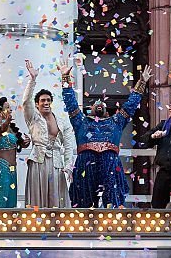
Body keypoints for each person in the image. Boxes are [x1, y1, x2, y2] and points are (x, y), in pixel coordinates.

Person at [60, 55, 152, 208]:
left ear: (107, 111)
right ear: (90, 110)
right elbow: (70, 103)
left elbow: (130, 105)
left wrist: (142, 82)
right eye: (96, 103)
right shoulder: (81, 121)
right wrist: (65, 78)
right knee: (84, 201)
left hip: (110, 163)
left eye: (102, 103)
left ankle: (113, 227)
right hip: (85, 164)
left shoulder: (116, 121)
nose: (99, 104)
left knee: (113, 201)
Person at [22, 60, 76, 207]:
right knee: (37, 201)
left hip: (57, 163)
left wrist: (68, 166)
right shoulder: (33, 117)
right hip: (38, 161)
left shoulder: (61, 121)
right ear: (37, 104)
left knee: (56, 200)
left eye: (48, 100)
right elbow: (26, 101)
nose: (46, 103)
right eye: (42, 101)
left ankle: (57, 227)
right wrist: (32, 80)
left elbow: (69, 145)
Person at [0, 97, 30, 208]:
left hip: (13, 168)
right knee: (1, 198)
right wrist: (5, 121)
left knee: (11, 199)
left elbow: (20, 145)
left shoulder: (11, 128)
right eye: (7, 108)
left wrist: (27, 142)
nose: (10, 110)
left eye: (10, 108)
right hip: (2, 166)